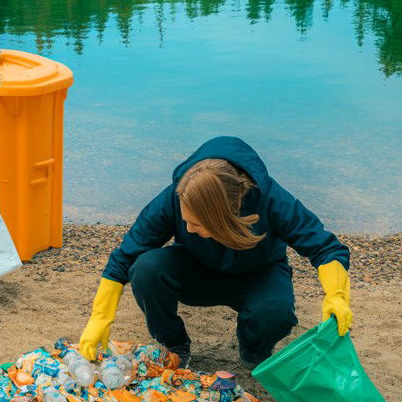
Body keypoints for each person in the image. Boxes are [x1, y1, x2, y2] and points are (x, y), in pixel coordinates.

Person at [78, 136, 352, 369]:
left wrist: (336, 296)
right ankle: (175, 344)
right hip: (196, 268)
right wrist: (100, 318)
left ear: (224, 215)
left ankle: (253, 350)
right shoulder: (175, 196)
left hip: (259, 274)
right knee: (146, 269)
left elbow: (325, 248)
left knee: (275, 312)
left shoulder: (270, 200)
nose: (188, 228)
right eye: (185, 220)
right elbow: (124, 257)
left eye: (197, 224)